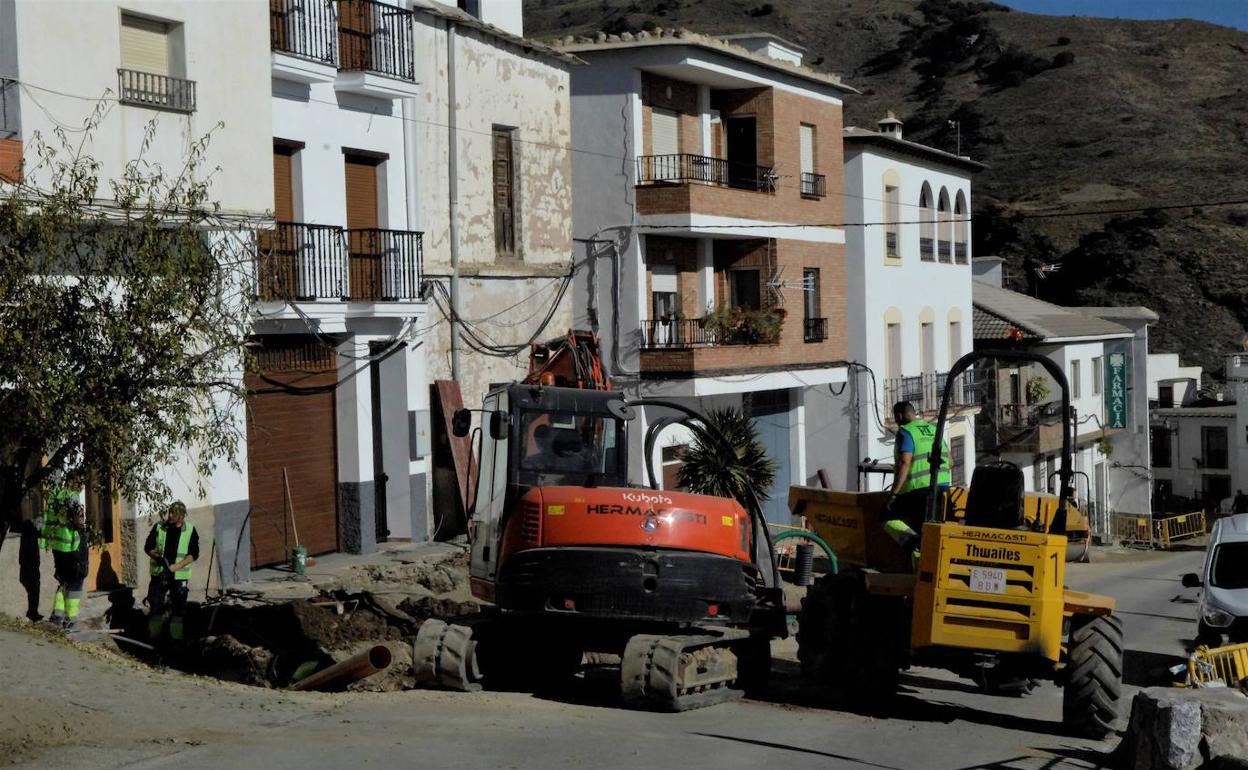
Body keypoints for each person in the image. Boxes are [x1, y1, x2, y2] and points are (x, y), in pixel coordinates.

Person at [883, 400, 952, 565]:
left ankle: (915, 543)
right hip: (942, 490)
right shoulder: (934, 430)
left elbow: (905, 463)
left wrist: (893, 494)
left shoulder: (905, 432)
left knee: (885, 516)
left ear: (899, 416)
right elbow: (950, 461)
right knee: (931, 532)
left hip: (918, 492)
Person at [145, 501, 198, 641]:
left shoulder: (190, 530)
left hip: (179, 575)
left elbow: (194, 554)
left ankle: (176, 638)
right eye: (170, 512)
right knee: (156, 605)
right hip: (160, 573)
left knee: (178, 608)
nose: (170, 515)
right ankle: (154, 636)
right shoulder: (159, 527)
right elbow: (148, 547)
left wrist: (177, 566)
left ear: (181, 516)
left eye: (173, 513)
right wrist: (156, 556)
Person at [47, 499, 89, 630]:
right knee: (73, 593)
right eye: (81, 516)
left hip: (61, 563)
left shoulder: (59, 527)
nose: (82, 519)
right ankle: (70, 621)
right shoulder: (76, 530)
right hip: (75, 565)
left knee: (61, 587)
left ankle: (57, 617)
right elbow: (79, 552)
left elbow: (55, 547)